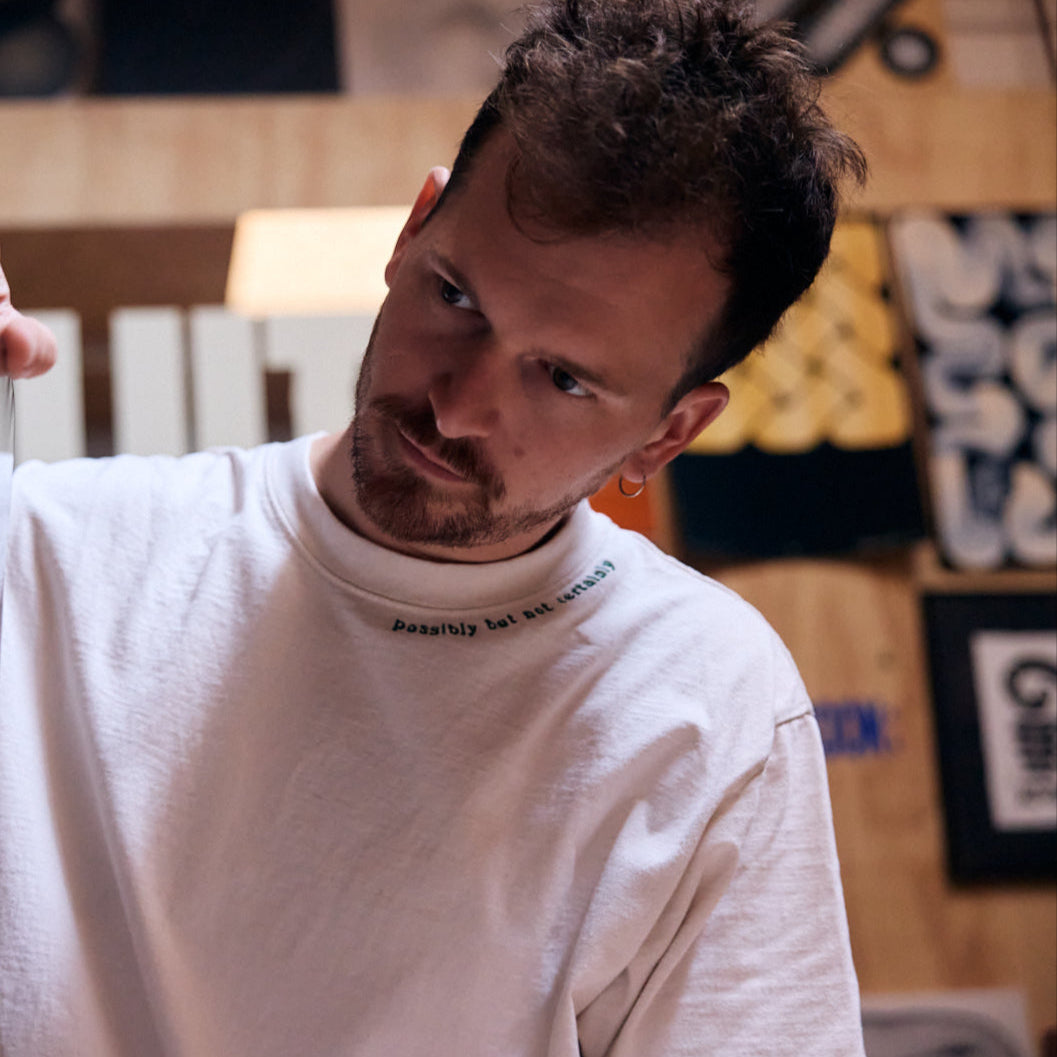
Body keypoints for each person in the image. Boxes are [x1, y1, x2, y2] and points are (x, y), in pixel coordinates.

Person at [0, 1, 869, 1054]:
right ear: (411, 231)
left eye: (562, 377)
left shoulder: (702, 702)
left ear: (668, 432)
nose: (456, 404)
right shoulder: (49, 557)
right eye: (455, 295)